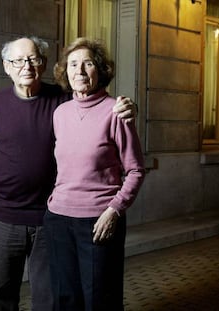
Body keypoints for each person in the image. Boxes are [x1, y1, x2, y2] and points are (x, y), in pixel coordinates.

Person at [0, 36, 137, 311]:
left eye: (33, 59)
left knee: (49, 298)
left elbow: (93, 100)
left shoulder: (60, 102)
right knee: (4, 292)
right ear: (6, 67)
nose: (26, 66)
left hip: (47, 219)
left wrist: (129, 107)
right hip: (5, 216)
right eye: (18, 60)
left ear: (44, 64)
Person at [43, 37, 146, 311]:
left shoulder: (116, 112)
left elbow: (136, 169)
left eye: (87, 63)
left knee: (101, 300)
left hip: (99, 220)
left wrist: (114, 210)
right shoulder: (60, 113)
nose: (79, 70)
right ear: (65, 72)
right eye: (73, 64)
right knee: (65, 299)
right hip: (58, 219)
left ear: (99, 70)